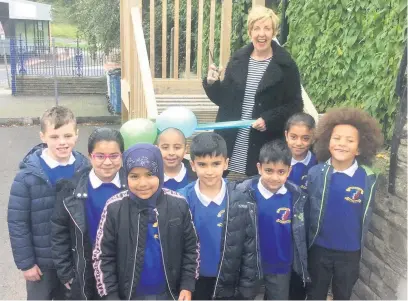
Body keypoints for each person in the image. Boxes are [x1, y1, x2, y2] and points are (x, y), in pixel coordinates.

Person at [203, 5, 303, 178]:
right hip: (230, 144)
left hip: (263, 147)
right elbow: (225, 100)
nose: (261, 34)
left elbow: (295, 105)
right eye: (256, 28)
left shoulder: (286, 66)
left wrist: (269, 120)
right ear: (250, 32)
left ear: (274, 32)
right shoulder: (237, 60)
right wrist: (212, 83)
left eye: (267, 28)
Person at [92, 143, 199, 300]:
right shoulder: (115, 207)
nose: (143, 183)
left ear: (160, 173)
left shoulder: (178, 204)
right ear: (126, 176)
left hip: (170, 293)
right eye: (134, 176)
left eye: (149, 174)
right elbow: (102, 256)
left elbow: (192, 248)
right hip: (128, 295)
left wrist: (187, 285)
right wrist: (111, 296)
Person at [7, 106, 89, 300]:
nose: (62, 142)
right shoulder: (27, 176)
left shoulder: (85, 171)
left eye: (68, 136)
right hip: (42, 264)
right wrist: (26, 263)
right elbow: (17, 223)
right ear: (42, 136)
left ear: (77, 135)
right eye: (54, 137)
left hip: (73, 261)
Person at [306, 108, 383, 300]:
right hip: (319, 249)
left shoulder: (368, 178)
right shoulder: (316, 173)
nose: (342, 144)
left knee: (343, 295)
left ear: (359, 148)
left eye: (350, 140)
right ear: (327, 141)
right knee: (315, 294)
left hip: (350, 253)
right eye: (337, 138)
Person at [178, 132, 259, 300]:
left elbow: (249, 246)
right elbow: (176, 247)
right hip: (194, 282)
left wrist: (247, 289)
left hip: (229, 282)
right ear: (192, 165)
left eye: (215, 163)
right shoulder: (181, 200)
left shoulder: (241, 198)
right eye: (202, 164)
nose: (209, 171)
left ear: (226, 163)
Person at [51, 128, 126, 299]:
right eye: (100, 156)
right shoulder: (71, 188)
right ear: (90, 155)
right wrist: (66, 272)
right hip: (85, 271)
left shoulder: (132, 187)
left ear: (122, 155)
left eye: (114, 156)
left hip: (121, 270)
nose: (107, 162)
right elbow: (59, 232)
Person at [236, 140, 310, 300]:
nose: (274, 177)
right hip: (249, 265)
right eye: (269, 170)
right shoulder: (244, 193)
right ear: (259, 168)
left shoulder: (295, 197)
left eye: (281, 172)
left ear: (289, 171)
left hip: (281, 265)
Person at [286, 112, 317, 191]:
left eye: (305, 138)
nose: (299, 143)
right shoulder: (277, 160)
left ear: (313, 138)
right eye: (293, 137)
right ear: (286, 135)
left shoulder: (318, 164)